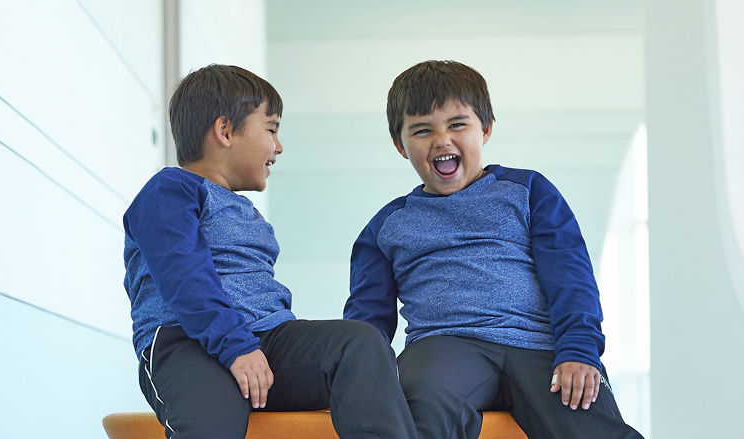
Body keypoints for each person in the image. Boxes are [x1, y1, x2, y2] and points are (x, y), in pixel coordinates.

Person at [343, 60, 643, 439]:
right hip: (444, 346)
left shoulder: (529, 192)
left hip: (539, 346)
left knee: (591, 419)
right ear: (401, 146)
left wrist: (579, 351)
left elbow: (570, 278)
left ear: (484, 129)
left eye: (457, 124)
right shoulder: (385, 227)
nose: (442, 140)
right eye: (422, 130)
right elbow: (366, 321)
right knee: (419, 412)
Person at [123, 64, 416, 439]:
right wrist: (235, 347)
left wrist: (253, 347)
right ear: (225, 130)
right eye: (272, 129)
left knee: (358, 343)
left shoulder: (246, 212)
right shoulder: (170, 190)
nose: (278, 147)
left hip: (267, 341)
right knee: (212, 427)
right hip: (186, 343)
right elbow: (184, 276)